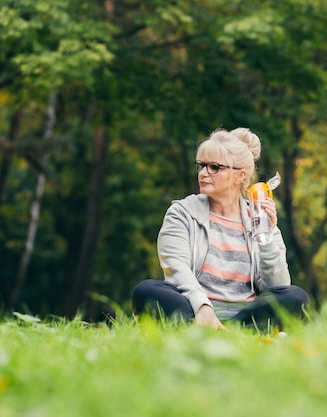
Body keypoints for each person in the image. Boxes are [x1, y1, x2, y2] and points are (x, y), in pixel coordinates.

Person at [131, 127, 309, 330]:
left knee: (296, 296)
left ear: (240, 176)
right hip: (195, 310)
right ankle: (217, 331)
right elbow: (177, 269)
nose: (204, 173)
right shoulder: (181, 213)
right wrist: (203, 307)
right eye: (202, 165)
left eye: (214, 167)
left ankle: (229, 332)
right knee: (146, 290)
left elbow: (277, 286)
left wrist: (266, 236)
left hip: (245, 315)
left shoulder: (260, 219)